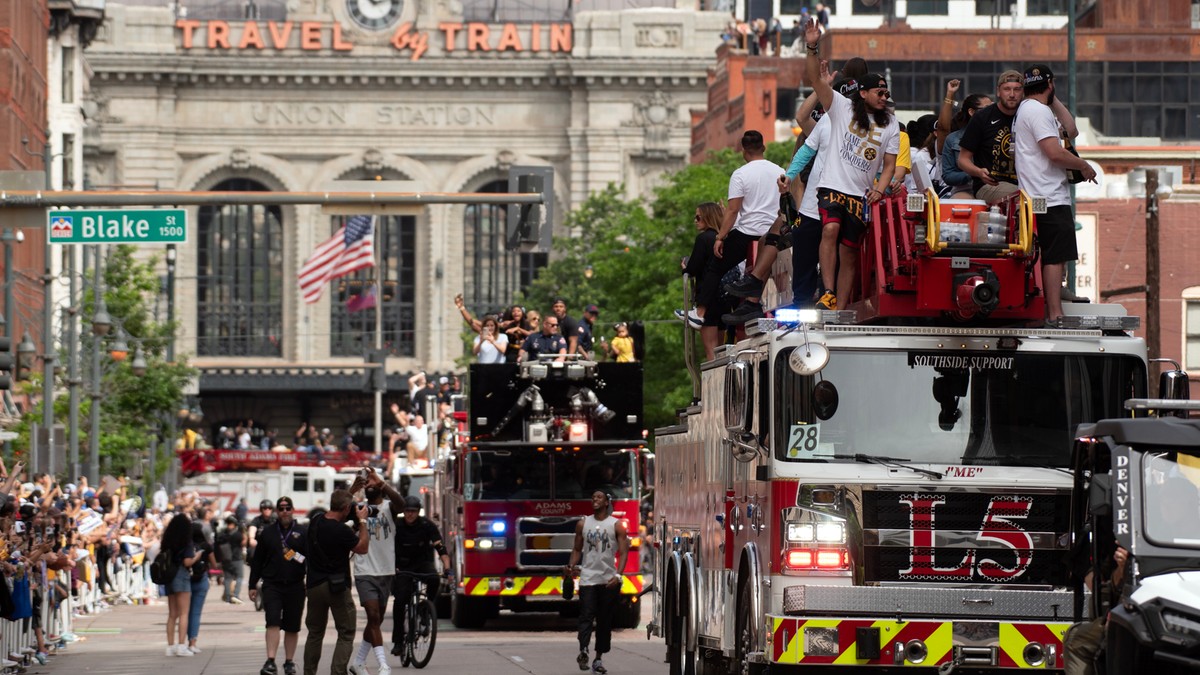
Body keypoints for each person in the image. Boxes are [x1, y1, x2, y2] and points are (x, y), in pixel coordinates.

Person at [803, 21, 900, 311]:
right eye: (879, 93)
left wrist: (880, 190)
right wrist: (812, 46)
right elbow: (815, 81)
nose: (884, 98)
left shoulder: (892, 124)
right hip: (831, 186)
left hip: (860, 195)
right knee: (829, 231)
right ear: (863, 93)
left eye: (886, 94)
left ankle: (840, 307)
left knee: (850, 253)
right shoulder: (842, 107)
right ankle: (828, 292)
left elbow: (890, 164)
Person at [1012, 64, 1094, 324]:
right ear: (1050, 83)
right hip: (1046, 194)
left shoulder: (1032, 109)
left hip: (1040, 193)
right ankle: (1054, 312)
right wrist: (1083, 165)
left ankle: (1052, 309)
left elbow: (1071, 129)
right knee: (1055, 258)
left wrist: (1051, 96)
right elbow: (1055, 152)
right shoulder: (1037, 112)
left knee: (1053, 256)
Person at [304, 486, 370, 675]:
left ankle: (309, 672)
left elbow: (340, 504)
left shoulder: (315, 521)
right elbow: (362, 548)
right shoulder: (341, 531)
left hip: (314, 586)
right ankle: (337, 672)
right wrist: (363, 521)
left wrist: (351, 492)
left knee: (315, 633)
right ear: (347, 509)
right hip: (337, 587)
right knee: (346, 632)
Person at [566, 491, 630, 675]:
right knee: (586, 616)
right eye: (593, 497)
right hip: (588, 579)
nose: (594, 499)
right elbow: (577, 549)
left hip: (607, 580)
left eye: (599, 497)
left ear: (607, 502)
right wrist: (571, 566)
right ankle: (583, 650)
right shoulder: (583, 523)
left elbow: (624, 553)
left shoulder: (616, 525)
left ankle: (598, 658)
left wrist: (618, 576)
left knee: (604, 621)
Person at [350, 470, 406, 675]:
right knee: (373, 617)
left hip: (386, 571)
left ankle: (358, 662)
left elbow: (401, 504)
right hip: (365, 571)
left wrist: (382, 484)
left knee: (377, 620)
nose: (369, 485)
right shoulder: (358, 509)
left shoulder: (389, 508)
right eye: (367, 484)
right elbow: (339, 510)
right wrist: (353, 489)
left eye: (371, 483)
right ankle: (383, 665)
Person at [249, 496, 308, 675]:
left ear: (293, 509)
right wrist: (252, 585)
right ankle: (271, 660)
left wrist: (292, 554)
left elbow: (307, 560)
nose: (284, 512)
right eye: (281, 508)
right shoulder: (267, 532)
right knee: (272, 621)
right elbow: (257, 561)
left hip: (295, 585)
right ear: (276, 511)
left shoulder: (302, 532)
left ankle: (289, 661)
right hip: (272, 584)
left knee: (292, 626)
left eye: (287, 508)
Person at [392, 495, 451, 655]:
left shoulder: (426, 525)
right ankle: (398, 641)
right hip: (402, 566)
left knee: (434, 579)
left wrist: (448, 568)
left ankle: (425, 610)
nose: (410, 514)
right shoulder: (397, 525)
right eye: (407, 511)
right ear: (403, 512)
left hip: (422, 563)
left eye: (413, 511)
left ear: (418, 512)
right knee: (400, 601)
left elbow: (441, 548)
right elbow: (387, 548)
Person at [957, 70, 1024, 203]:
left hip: (1025, 184)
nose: (1012, 94)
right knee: (1021, 198)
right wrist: (978, 172)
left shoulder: (1029, 114)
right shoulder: (982, 117)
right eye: (1007, 89)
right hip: (990, 185)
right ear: (998, 91)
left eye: (1017, 89)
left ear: (1023, 92)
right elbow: (962, 160)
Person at [681, 202, 723, 359]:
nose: (695, 221)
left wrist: (685, 267)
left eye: (698, 217)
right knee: (722, 348)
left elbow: (694, 267)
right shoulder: (725, 238)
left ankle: (714, 383)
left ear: (707, 217)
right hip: (724, 297)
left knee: (710, 349)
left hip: (707, 296)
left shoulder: (704, 239)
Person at [161, 512, 200, 657]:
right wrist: (197, 556)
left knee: (172, 614)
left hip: (169, 575)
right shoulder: (186, 541)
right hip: (182, 575)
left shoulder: (167, 539)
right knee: (184, 612)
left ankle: (170, 646)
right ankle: (181, 645)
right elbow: (187, 562)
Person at [186, 520, 217, 654]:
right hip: (201, 579)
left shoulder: (187, 546)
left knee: (184, 613)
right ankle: (193, 642)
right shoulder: (206, 546)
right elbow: (214, 564)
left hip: (187, 580)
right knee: (196, 612)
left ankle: (183, 641)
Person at [217, 515, 247, 603]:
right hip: (237, 558)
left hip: (225, 558)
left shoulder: (222, 534)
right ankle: (236, 595)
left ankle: (227, 597)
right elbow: (243, 543)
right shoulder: (237, 534)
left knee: (227, 578)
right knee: (239, 577)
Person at [248, 499, 276, 563]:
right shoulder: (257, 520)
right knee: (251, 554)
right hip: (260, 546)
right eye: (265, 508)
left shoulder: (276, 520)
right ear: (261, 509)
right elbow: (252, 528)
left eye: (269, 508)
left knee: (292, 556)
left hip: (276, 546)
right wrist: (251, 539)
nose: (267, 510)